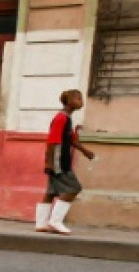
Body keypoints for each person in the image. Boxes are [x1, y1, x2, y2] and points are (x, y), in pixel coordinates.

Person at [35, 89, 95, 234]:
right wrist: (49, 162)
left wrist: (85, 150)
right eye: (78, 98)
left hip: (59, 158)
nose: (81, 101)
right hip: (58, 159)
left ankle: (41, 223)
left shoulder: (67, 118)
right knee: (74, 188)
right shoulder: (61, 118)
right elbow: (52, 140)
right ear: (68, 101)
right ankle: (55, 222)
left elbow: (72, 138)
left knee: (51, 192)